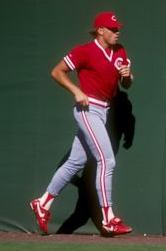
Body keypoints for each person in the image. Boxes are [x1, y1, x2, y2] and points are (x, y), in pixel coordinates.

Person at [30, 11, 134, 236]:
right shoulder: (85, 51)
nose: (117, 32)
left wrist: (127, 76)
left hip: (103, 111)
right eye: (113, 29)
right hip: (87, 109)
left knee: (74, 163)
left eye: (118, 29)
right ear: (100, 30)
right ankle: (108, 218)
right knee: (107, 161)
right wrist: (76, 90)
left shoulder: (120, 51)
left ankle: (43, 203)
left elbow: (127, 85)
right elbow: (56, 72)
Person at [56, 90, 136, 236]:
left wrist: (128, 134)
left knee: (80, 216)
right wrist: (82, 184)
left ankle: (107, 227)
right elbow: (65, 164)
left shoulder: (120, 118)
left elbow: (128, 133)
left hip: (98, 177)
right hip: (90, 178)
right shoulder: (93, 124)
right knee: (81, 216)